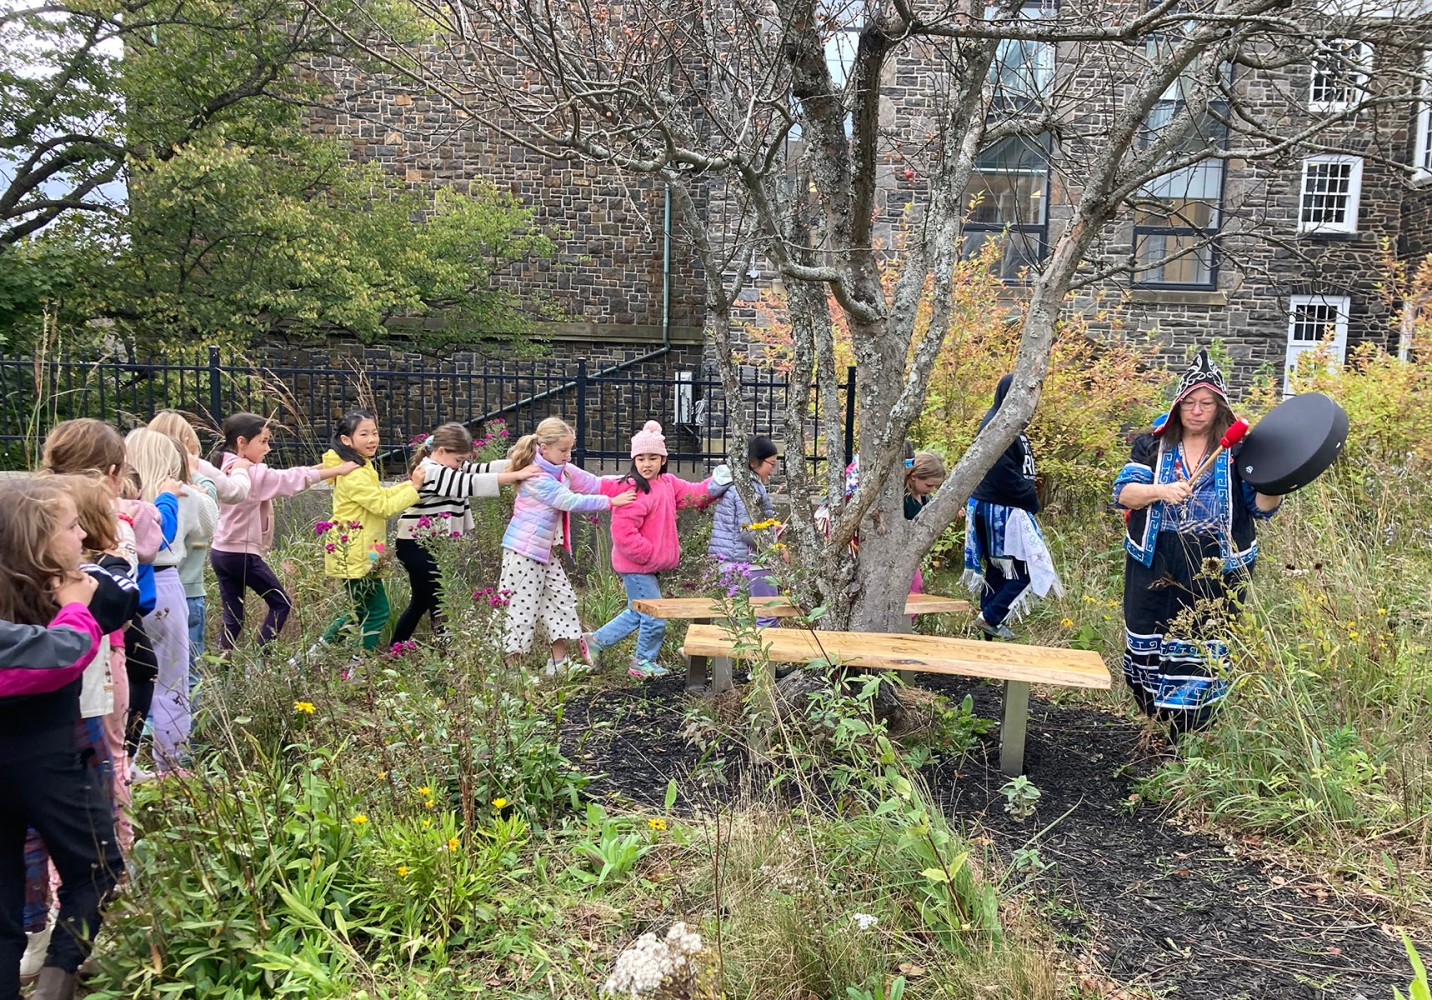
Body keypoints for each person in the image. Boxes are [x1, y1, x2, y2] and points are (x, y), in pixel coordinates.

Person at [1113, 350, 1283, 734]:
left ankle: (1189, 734)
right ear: (1177, 406)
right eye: (1189, 402)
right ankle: (1155, 721)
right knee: (1147, 637)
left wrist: (1278, 482)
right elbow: (1125, 495)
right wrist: (1160, 490)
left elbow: (1260, 508)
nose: (1197, 410)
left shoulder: (1239, 450)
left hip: (1216, 564)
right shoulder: (1152, 445)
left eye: (1206, 403)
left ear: (1219, 407)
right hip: (1155, 558)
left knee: (1202, 644)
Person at [0, 477, 125, 1000]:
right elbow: (60, 654)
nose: (83, 536)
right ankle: (57, 981)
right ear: (35, 542)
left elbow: (118, 597)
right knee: (98, 865)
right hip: (44, 753)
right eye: (71, 527)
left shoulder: (41, 587)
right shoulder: (63, 602)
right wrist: (76, 605)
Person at [581, 421, 727, 679]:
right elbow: (624, 533)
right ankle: (642, 661)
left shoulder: (668, 483)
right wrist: (648, 555)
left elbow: (694, 494)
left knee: (638, 612)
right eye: (640, 458)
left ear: (663, 459)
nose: (646, 464)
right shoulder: (632, 489)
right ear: (633, 460)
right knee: (654, 616)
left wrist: (716, 484)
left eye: (653, 457)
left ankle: (596, 641)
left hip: (646, 566)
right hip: (637, 566)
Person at [500, 417, 635, 675]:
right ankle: (513, 672)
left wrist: (632, 480)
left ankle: (558, 665)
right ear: (544, 447)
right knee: (522, 608)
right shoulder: (537, 476)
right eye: (563, 450)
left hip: (543, 552)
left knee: (561, 600)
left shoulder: (562, 469)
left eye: (570, 449)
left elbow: (595, 483)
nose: (568, 455)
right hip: (523, 552)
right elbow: (569, 501)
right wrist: (612, 503)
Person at [208, 412, 352, 652]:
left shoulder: (225, 466)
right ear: (242, 442)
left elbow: (288, 475)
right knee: (280, 603)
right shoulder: (249, 473)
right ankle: (261, 659)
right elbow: (288, 479)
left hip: (221, 552)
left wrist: (328, 467)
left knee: (233, 618)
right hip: (241, 554)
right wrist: (338, 471)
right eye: (263, 441)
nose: (268, 447)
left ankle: (223, 669)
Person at [392, 422, 538, 644]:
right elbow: (471, 483)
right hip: (416, 545)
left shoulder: (446, 466)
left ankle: (395, 648)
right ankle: (446, 652)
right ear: (441, 452)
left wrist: (520, 463)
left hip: (421, 544)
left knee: (421, 601)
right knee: (440, 600)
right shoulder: (431, 471)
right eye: (459, 460)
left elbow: (482, 469)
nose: (461, 464)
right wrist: (519, 474)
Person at [124, 428, 208, 774]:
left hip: (124, 592)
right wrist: (193, 486)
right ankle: (172, 763)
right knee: (172, 678)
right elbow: (204, 526)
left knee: (125, 678)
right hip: (164, 586)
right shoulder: (173, 496)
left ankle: (123, 760)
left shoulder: (117, 496)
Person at [148, 411, 250, 682]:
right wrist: (201, 480)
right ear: (184, 447)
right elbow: (211, 519)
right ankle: (185, 725)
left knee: (150, 673)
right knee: (187, 673)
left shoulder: (138, 488)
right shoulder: (187, 490)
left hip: (146, 589)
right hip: (187, 590)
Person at [962, 375, 1062, 640]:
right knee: (1027, 569)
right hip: (1000, 508)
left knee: (999, 572)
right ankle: (989, 618)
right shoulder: (998, 424)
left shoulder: (1011, 424)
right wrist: (1030, 499)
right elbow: (1002, 473)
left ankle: (987, 639)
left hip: (1000, 507)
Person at [318, 411, 424, 656]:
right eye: (364, 434)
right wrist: (415, 488)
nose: (372, 439)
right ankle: (358, 666)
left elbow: (380, 496)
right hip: (355, 552)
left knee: (359, 612)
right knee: (377, 611)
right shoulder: (354, 473)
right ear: (346, 440)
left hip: (363, 550)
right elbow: (383, 507)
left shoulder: (358, 465)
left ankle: (315, 655)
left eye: (374, 433)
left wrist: (410, 485)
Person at [707, 436, 780, 627]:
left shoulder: (733, 485)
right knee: (767, 614)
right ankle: (765, 657)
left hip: (729, 561)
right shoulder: (748, 488)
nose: (773, 469)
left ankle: (738, 657)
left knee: (735, 618)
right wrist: (774, 545)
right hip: (749, 563)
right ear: (754, 462)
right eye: (771, 463)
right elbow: (748, 531)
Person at [904, 451, 946, 597]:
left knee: (917, 591)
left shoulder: (922, 495)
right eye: (929, 485)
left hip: (912, 556)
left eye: (935, 486)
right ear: (914, 476)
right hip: (901, 554)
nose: (931, 490)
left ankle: (910, 620)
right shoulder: (905, 498)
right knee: (914, 594)